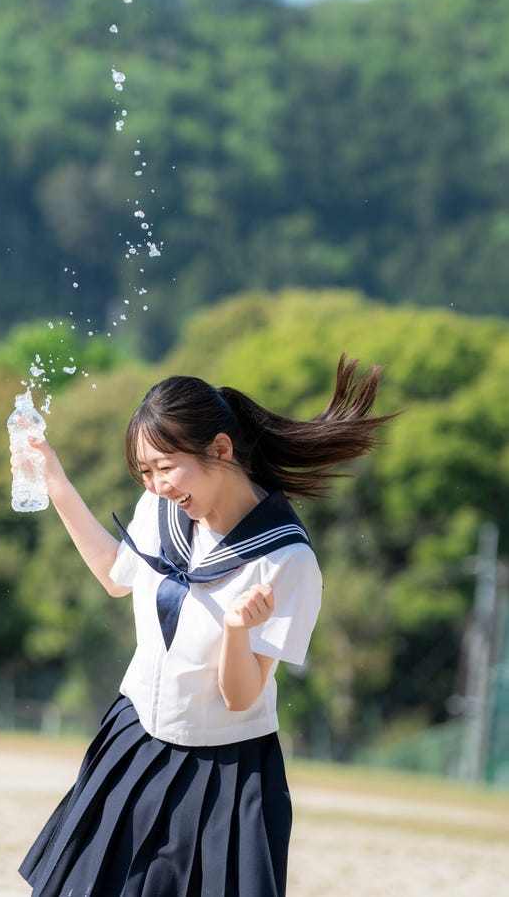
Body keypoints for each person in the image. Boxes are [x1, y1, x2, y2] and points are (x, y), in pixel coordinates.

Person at [19, 354, 394, 897]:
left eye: (165, 467)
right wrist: (53, 479)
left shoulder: (286, 561)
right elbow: (115, 576)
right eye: (144, 472)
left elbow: (241, 697)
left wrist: (238, 631)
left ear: (219, 449)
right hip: (133, 743)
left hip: (222, 777)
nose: (156, 485)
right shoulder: (161, 509)